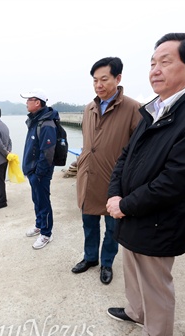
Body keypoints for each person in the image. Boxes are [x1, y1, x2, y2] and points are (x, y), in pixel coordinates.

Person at [105, 33, 185, 336]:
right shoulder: (153, 110)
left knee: (156, 282)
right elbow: (125, 156)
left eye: (165, 61)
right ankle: (134, 311)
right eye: (153, 63)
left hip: (160, 220)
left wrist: (124, 204)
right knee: (131, 268)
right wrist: (115, 193)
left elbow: (175, 181)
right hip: (131, 212)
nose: (155, 70)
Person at [71, 57, 141, 285]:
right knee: (88, 224)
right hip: (89, 179)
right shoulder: (89, 108)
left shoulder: (133, 109)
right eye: (94, 80)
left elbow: (138, 151)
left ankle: (107, 263)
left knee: (113, 229)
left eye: (104, 79)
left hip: (115, 183)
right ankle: (90, 257)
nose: (98, 85)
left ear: (118, 78)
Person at [20, 89, 59, 250]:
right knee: (37, 200)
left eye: (29, 99)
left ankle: (46, 233)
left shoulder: (47, 123)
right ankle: (39, 224)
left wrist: (38, 173)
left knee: (43, 201)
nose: (26, 102)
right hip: (33, 171)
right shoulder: (36, 120)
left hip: (40, 172)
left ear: (38, 103)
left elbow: (47, 153)